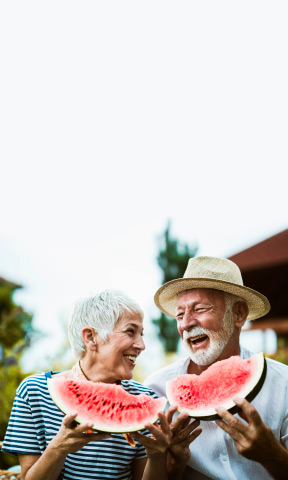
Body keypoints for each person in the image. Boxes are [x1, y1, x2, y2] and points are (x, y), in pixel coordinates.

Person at [2, 290, 199, 480]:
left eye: (141, 334)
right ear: (90, 338)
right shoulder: (34, 391)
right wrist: (58, 448)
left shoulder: (147, 400)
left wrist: (157, 456)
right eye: (130, 331)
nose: (141, 345)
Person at [144, 256, 288, 480]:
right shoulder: (156, 390)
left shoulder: (283, 383)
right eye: (180, 314)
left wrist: (273, 456)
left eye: (200, 309)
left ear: (238, 314)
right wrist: (171, 465)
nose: (186, 323)